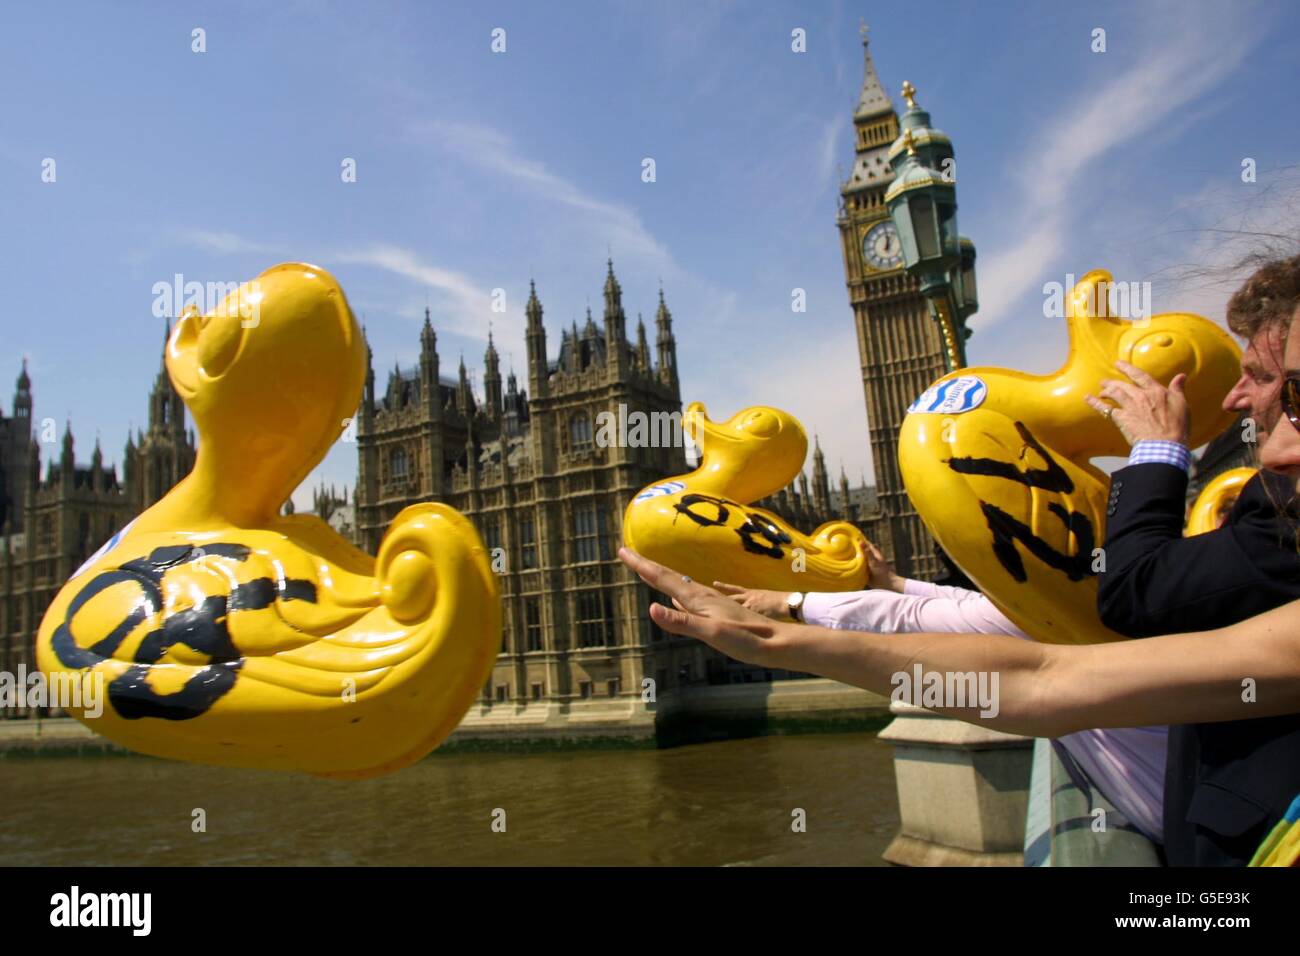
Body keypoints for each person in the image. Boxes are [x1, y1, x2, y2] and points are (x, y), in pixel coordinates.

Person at [618, 258, 1300, 866]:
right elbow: (1030, 661)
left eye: (1279, 385)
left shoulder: (1263, 533)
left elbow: (1090, 639)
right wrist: (797, 614)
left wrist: (1156, 454)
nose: (1241, 401)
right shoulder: (1261, 533)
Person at [714, 542, 1167, 842]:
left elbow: (909, 619)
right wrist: (894, 584)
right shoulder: (1064, 602)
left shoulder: (1043, 618)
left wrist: (792, 605)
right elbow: (963, 607)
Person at [1084, 254, 1300, 865]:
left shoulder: (1283, 514)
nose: (1234, 399)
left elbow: (1131, 592)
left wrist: (1157, 450)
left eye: (1258, 375)